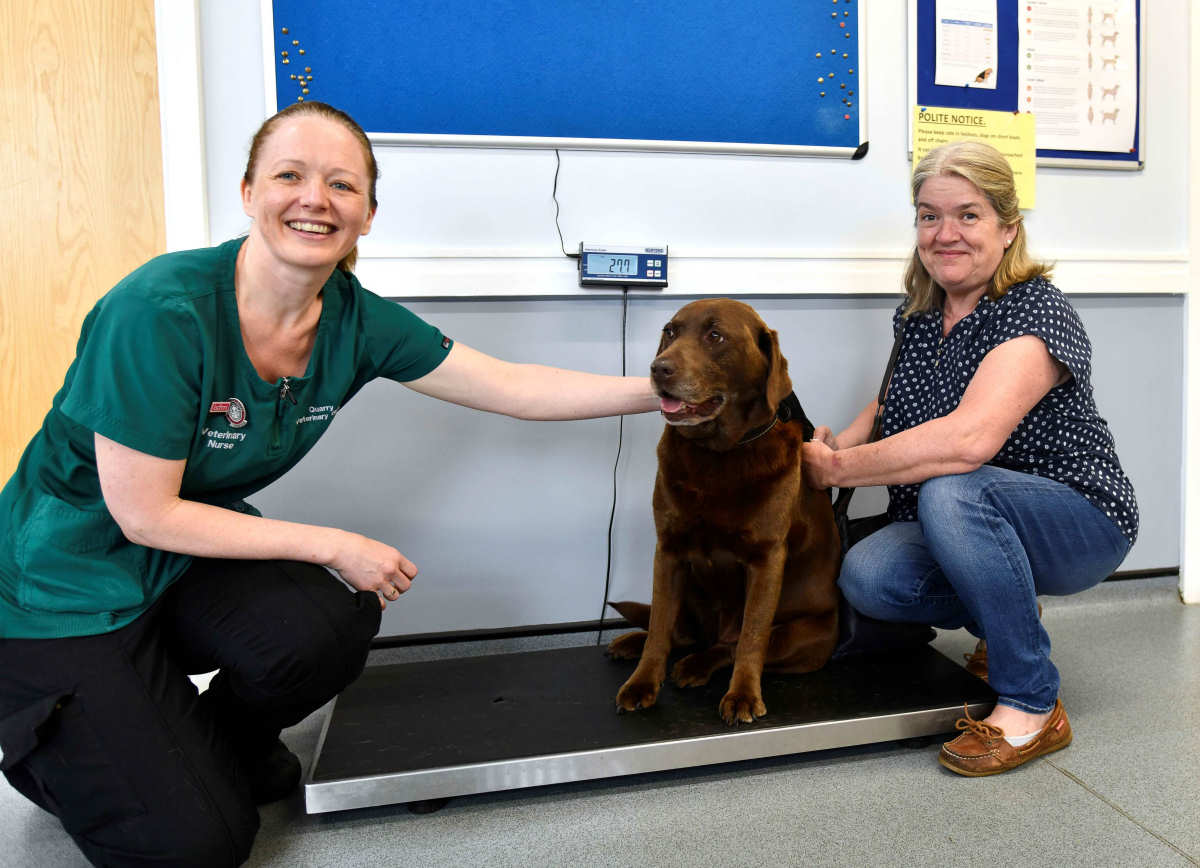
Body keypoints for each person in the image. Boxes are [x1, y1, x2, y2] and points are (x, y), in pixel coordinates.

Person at [0, 101, 659, 867]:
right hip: (63, 585)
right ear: (249, 192)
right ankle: (47, 745)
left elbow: (513, 386)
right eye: (290, 175)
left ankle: (203, 747)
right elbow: (144, 513)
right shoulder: (160, 310)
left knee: (324, 623)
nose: (315, 198)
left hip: (178, 560)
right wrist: (335, 543)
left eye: (341, 185)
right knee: (197, 846)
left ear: (367, 215)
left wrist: (665, 395)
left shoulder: (354, 319)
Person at [802, 140, 1137, 777]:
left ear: (1009, 228)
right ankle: (1007, 608)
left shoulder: (1036, 309)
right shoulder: (921, 312)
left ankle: (1032, 702)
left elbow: (968, 442)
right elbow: (895, 395)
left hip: (1079, 516)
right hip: (970, 515)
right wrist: (841, 441)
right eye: (929, 216)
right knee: (870, 575)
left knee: (954, 488)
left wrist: (841, 472)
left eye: (968, 215)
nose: (945, 234)